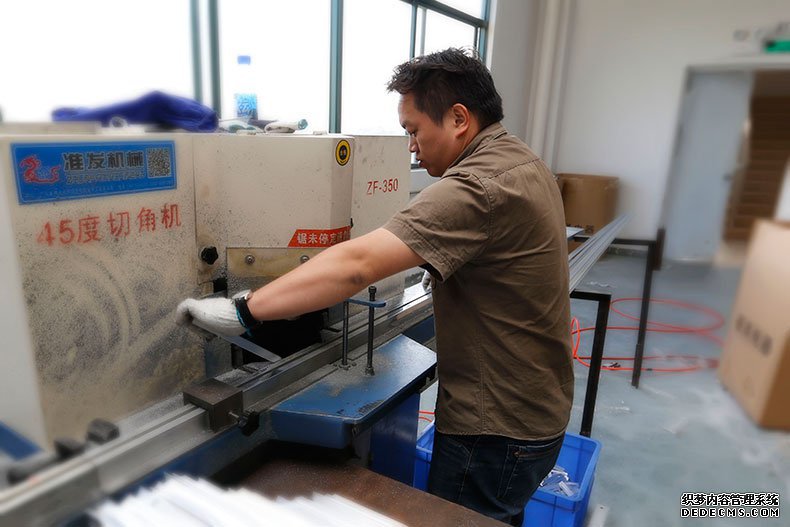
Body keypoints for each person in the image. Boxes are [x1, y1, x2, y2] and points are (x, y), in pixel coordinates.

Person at [177, 47, 573, 526]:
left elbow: (356, 266)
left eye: (414, 130)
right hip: (536, 414)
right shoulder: (521, 161)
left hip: (495, 432)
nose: (411, 147)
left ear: (459, 119)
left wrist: (243, 311)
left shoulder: (478, 187)